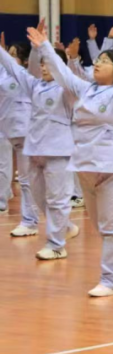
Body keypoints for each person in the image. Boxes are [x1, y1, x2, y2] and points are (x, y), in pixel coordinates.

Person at [31, 16, 113, 296]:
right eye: (98, 60)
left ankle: (111, 280)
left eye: (105, 61)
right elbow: (63, 73)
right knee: (101, 226)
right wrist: (45, 47)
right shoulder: (86, 89)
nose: (98, 63)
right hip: (85, 166)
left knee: (111, 229)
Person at [0, 29, 79, 259]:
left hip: (58, 151)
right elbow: (13, 67)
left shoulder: (68, 89)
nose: (43, 67)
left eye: (48, 64)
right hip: (35, 151)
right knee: (39, 198)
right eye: (42, 64)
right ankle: (66, 227)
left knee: (57, 199)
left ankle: (56, 245)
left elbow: (64, 73)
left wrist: (45, 47)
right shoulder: (35, 86)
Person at [0, 39, 39, 236]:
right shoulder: (3, 74)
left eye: (14, 55)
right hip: (7, 130)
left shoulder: (27, 76)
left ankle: (30, 221)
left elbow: (33, 63)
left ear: (24, 60)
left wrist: (37, 48)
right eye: (9, 53)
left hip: (26, 132)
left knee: (26, 179)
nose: (10, 57)